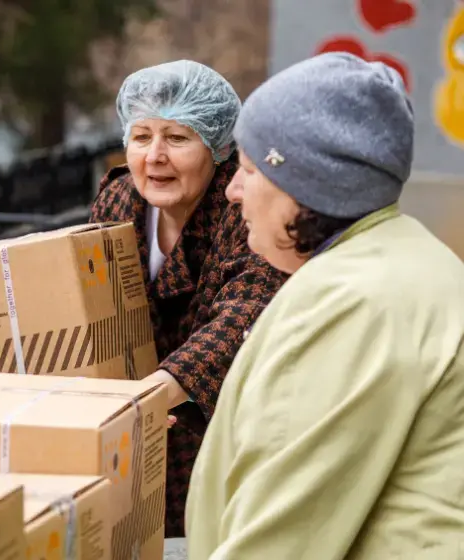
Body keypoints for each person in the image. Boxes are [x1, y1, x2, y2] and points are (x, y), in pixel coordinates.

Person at [187, 52, 464, 558]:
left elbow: (283, 536)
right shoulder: (395, 260)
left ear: (303, 186)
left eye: (249, 169)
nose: (232, 190)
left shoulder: (352, 301)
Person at [89, 60, 287, 536]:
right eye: (141, 137)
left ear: (218, 147)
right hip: (126, 431)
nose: (154, 156)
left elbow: (243, 316)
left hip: (214, 431)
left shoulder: (242, 209)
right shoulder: (119, 202)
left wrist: (146, 397)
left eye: (177, 138)